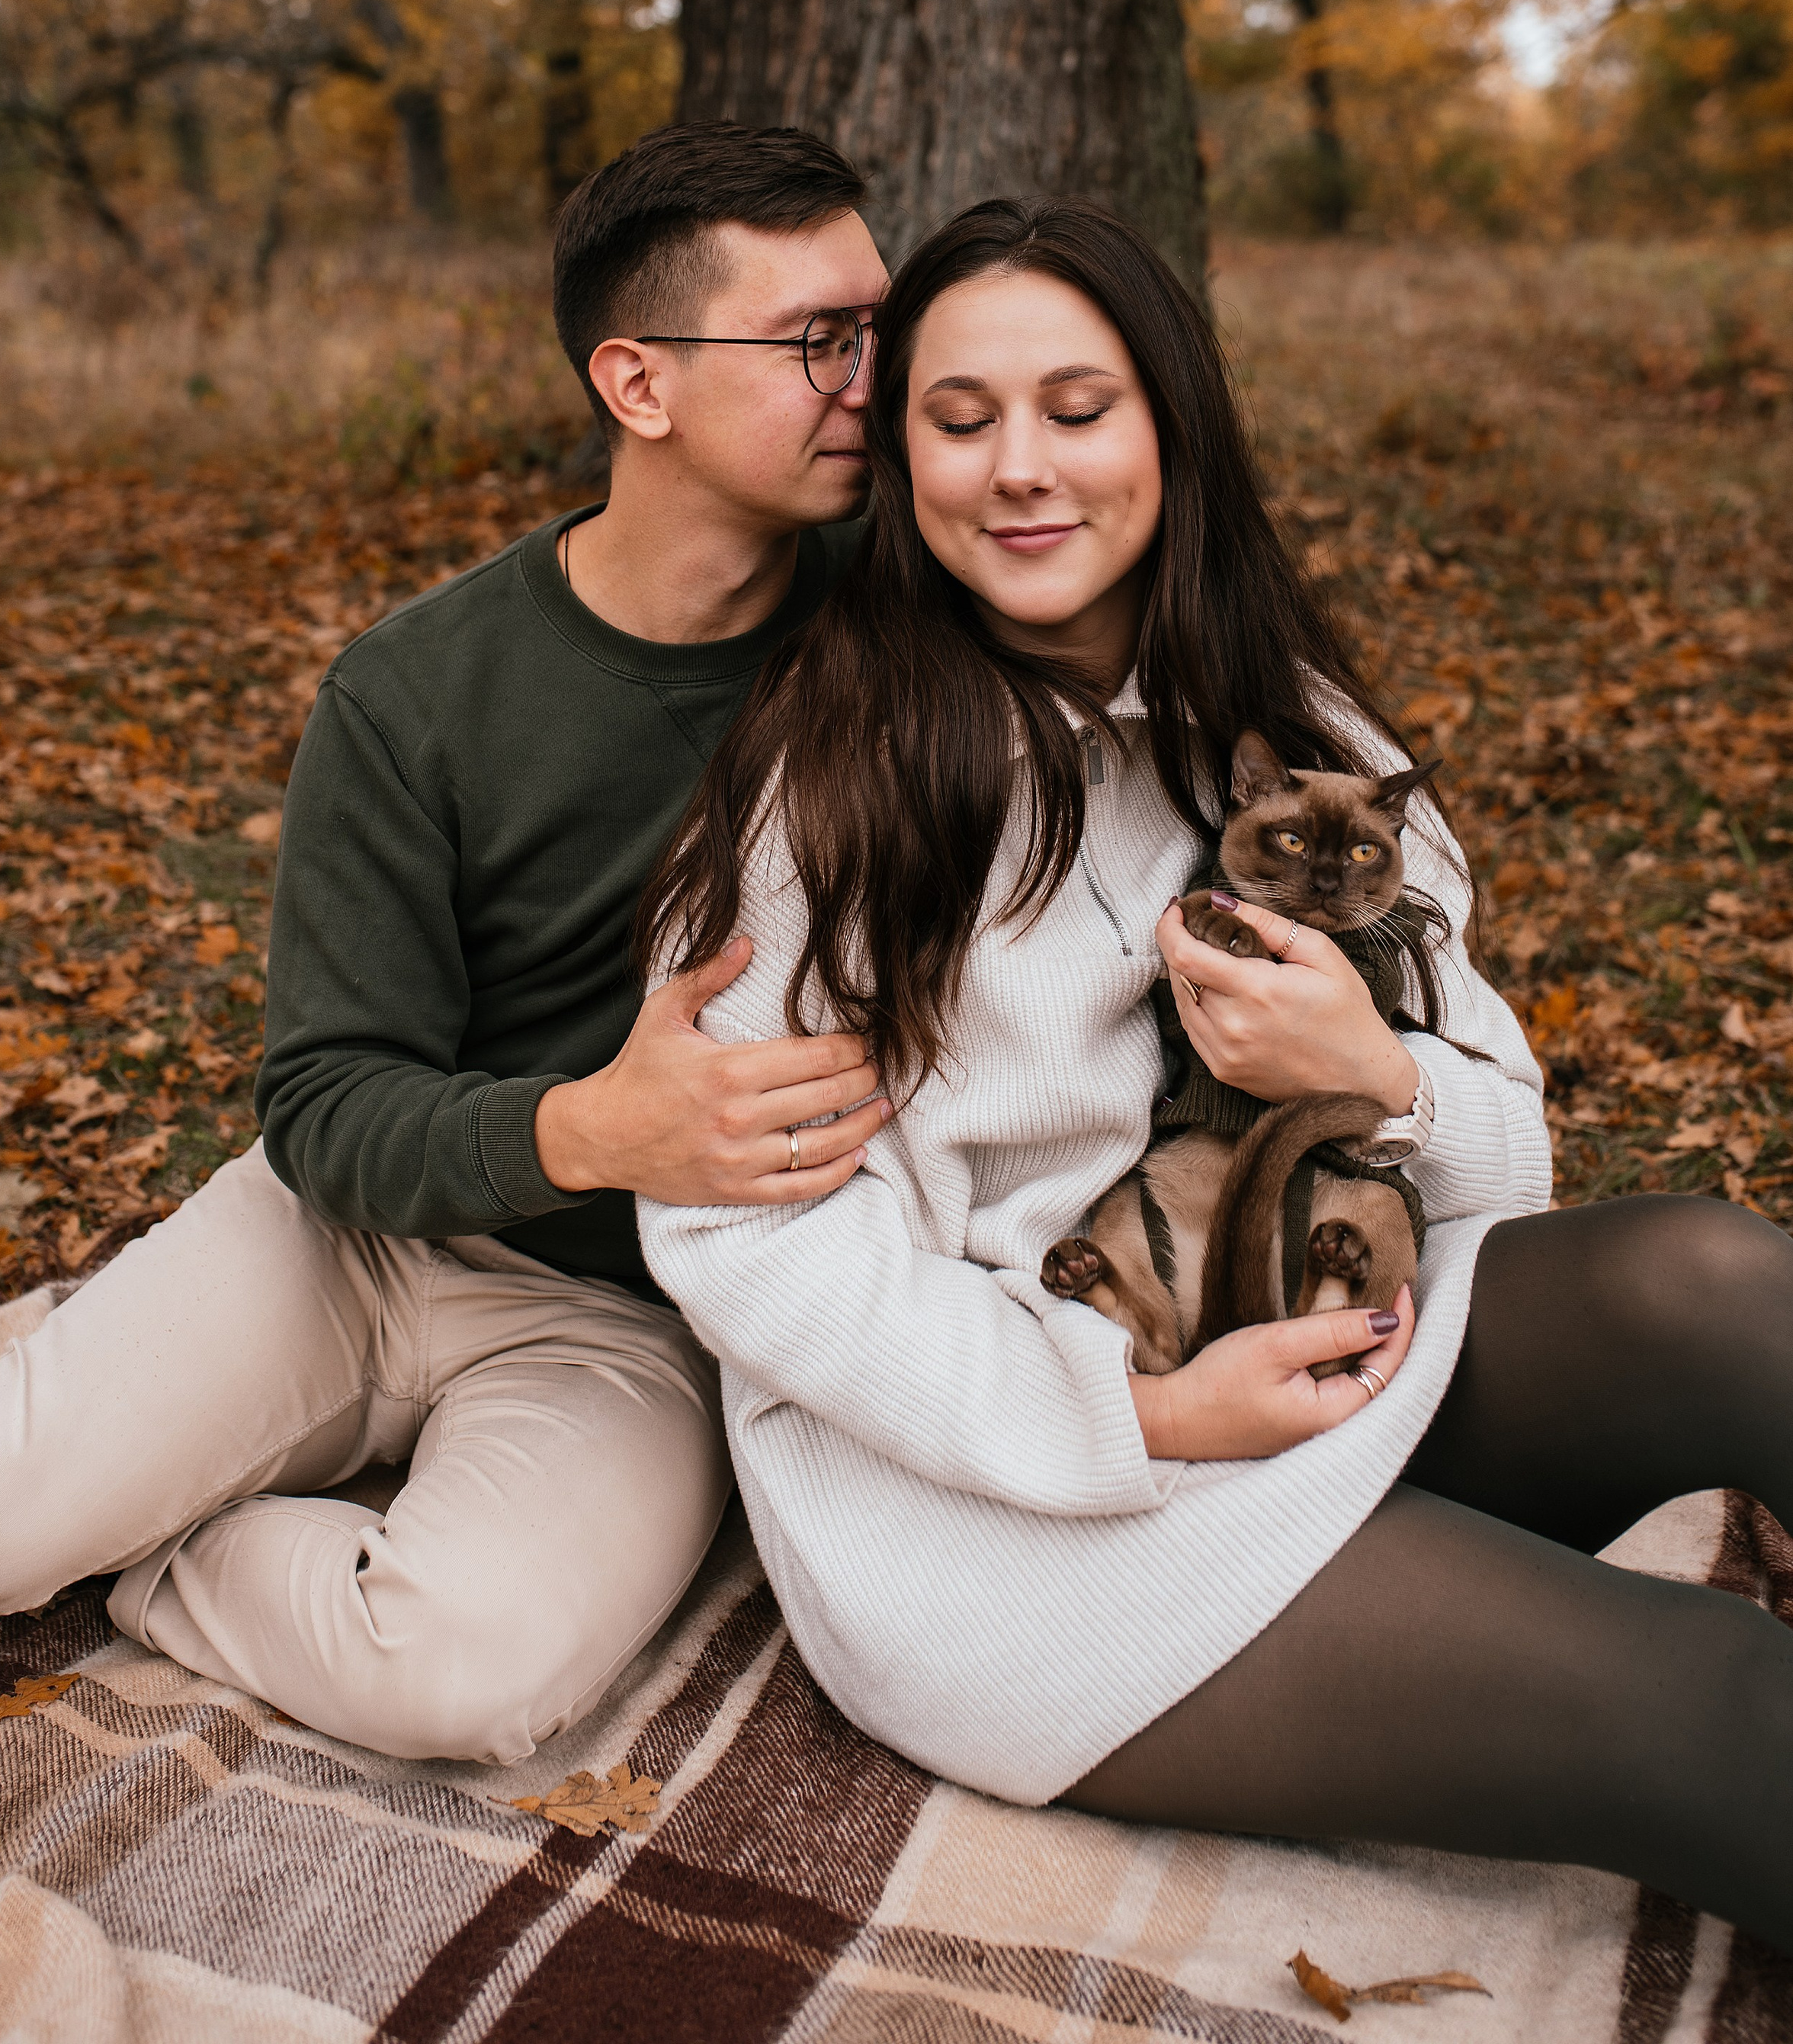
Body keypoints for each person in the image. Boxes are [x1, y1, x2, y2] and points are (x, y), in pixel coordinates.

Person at [637, 195, 1793, 1953]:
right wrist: (1136, 1417)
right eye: (958, 421)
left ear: (1170, 425)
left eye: (1077, 409)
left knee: (1707, 1273)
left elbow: (1502, 1170)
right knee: (1716, 1704)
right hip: (1016, 1506)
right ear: (903, 462)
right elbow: (750, 1251)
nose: (1019, 468)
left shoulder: (1300, 746)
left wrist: (1375, 1068)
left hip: (1316, 1352)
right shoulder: (834, 792)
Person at [0, 123, 894, 1766]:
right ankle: (15, 1454)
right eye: (818, 340)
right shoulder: (416, 693)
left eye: (877, 328)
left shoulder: (909, 644)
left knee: (463, 1678)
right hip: (348, 1242)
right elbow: (325, 1109)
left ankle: (150, 1543)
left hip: (624, 1321)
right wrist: (593, 1127)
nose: (869, 379)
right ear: (638, 385)